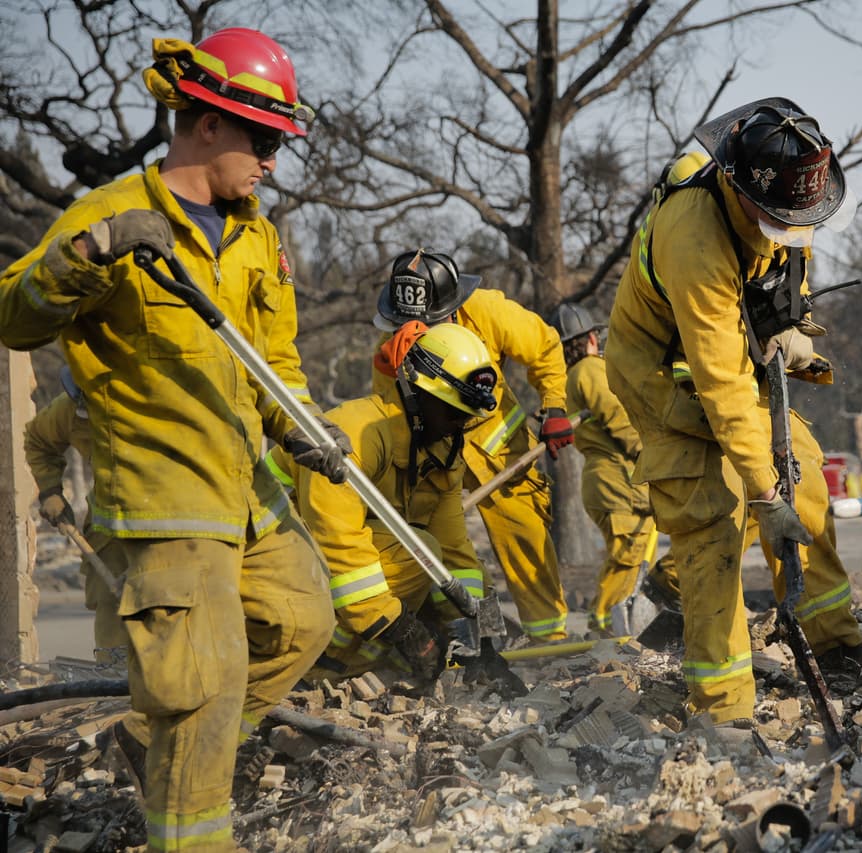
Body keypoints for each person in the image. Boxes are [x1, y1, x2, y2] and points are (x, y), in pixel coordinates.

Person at [0, 28, 342, 852]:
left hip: (246, 488)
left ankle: (155, 745)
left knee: (305, 619)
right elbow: (13, 314)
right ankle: (190, 834)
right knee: (206, 683)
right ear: (209, 124)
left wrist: (301, 426)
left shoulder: (257, 236)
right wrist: (91, 254)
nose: (272, 161)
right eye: (263, 140)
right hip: (163, 497)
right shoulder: (111, 214)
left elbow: (278, 362)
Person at [605, 98, 862, 726]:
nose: (793, 228)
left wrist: (792, 328)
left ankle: (831, 645)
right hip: (664, 378)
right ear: (739, 187)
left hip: (731, 362)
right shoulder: (694, 238)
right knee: (710, 526)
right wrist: (764, 497)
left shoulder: (784, 203)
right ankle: (724, 711)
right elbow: (721, 387)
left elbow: (785, 273)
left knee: (804, 481)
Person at [267, 322, 496, 680]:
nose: (459, 424)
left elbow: (456, 555)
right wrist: (401, 629)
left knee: (448, 563)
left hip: (317, 563)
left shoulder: (440, 453)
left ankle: (370, 661)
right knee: (419, 552)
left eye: (466, 417)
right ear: (420, 393)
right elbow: (339, 543)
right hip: (270, 547)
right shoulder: (357, 435)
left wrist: (478, 638)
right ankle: (322, 665)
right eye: (454, 413)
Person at [372, 249, 572, 643]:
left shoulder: (486, 311)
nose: (419, 332)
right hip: (433, 457)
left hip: (501, 456)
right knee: (436, 549)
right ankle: (466, 637)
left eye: (428, 323)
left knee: (526, 540)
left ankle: (550, 641)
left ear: (452, 306)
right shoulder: (393, 343)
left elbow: (545, 347)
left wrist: (554, 407)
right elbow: (389, 411)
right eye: (410, 324)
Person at [552, 302, 678, 636]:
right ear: (590, 339)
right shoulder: (590, 370)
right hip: (616, 477)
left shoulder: (568, 377)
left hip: (609, 478)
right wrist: (651, 454)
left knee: (630, 553)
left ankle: (612, 623)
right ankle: (605, 626)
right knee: (628, 552)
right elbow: (618, 417)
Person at [23, 366, 128, 664]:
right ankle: (114, 680)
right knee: (112, 603)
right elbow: (38, 440)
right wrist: (50, 491)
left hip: (172, 524)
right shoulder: (72, 408)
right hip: (109, 529)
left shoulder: (154, 405)